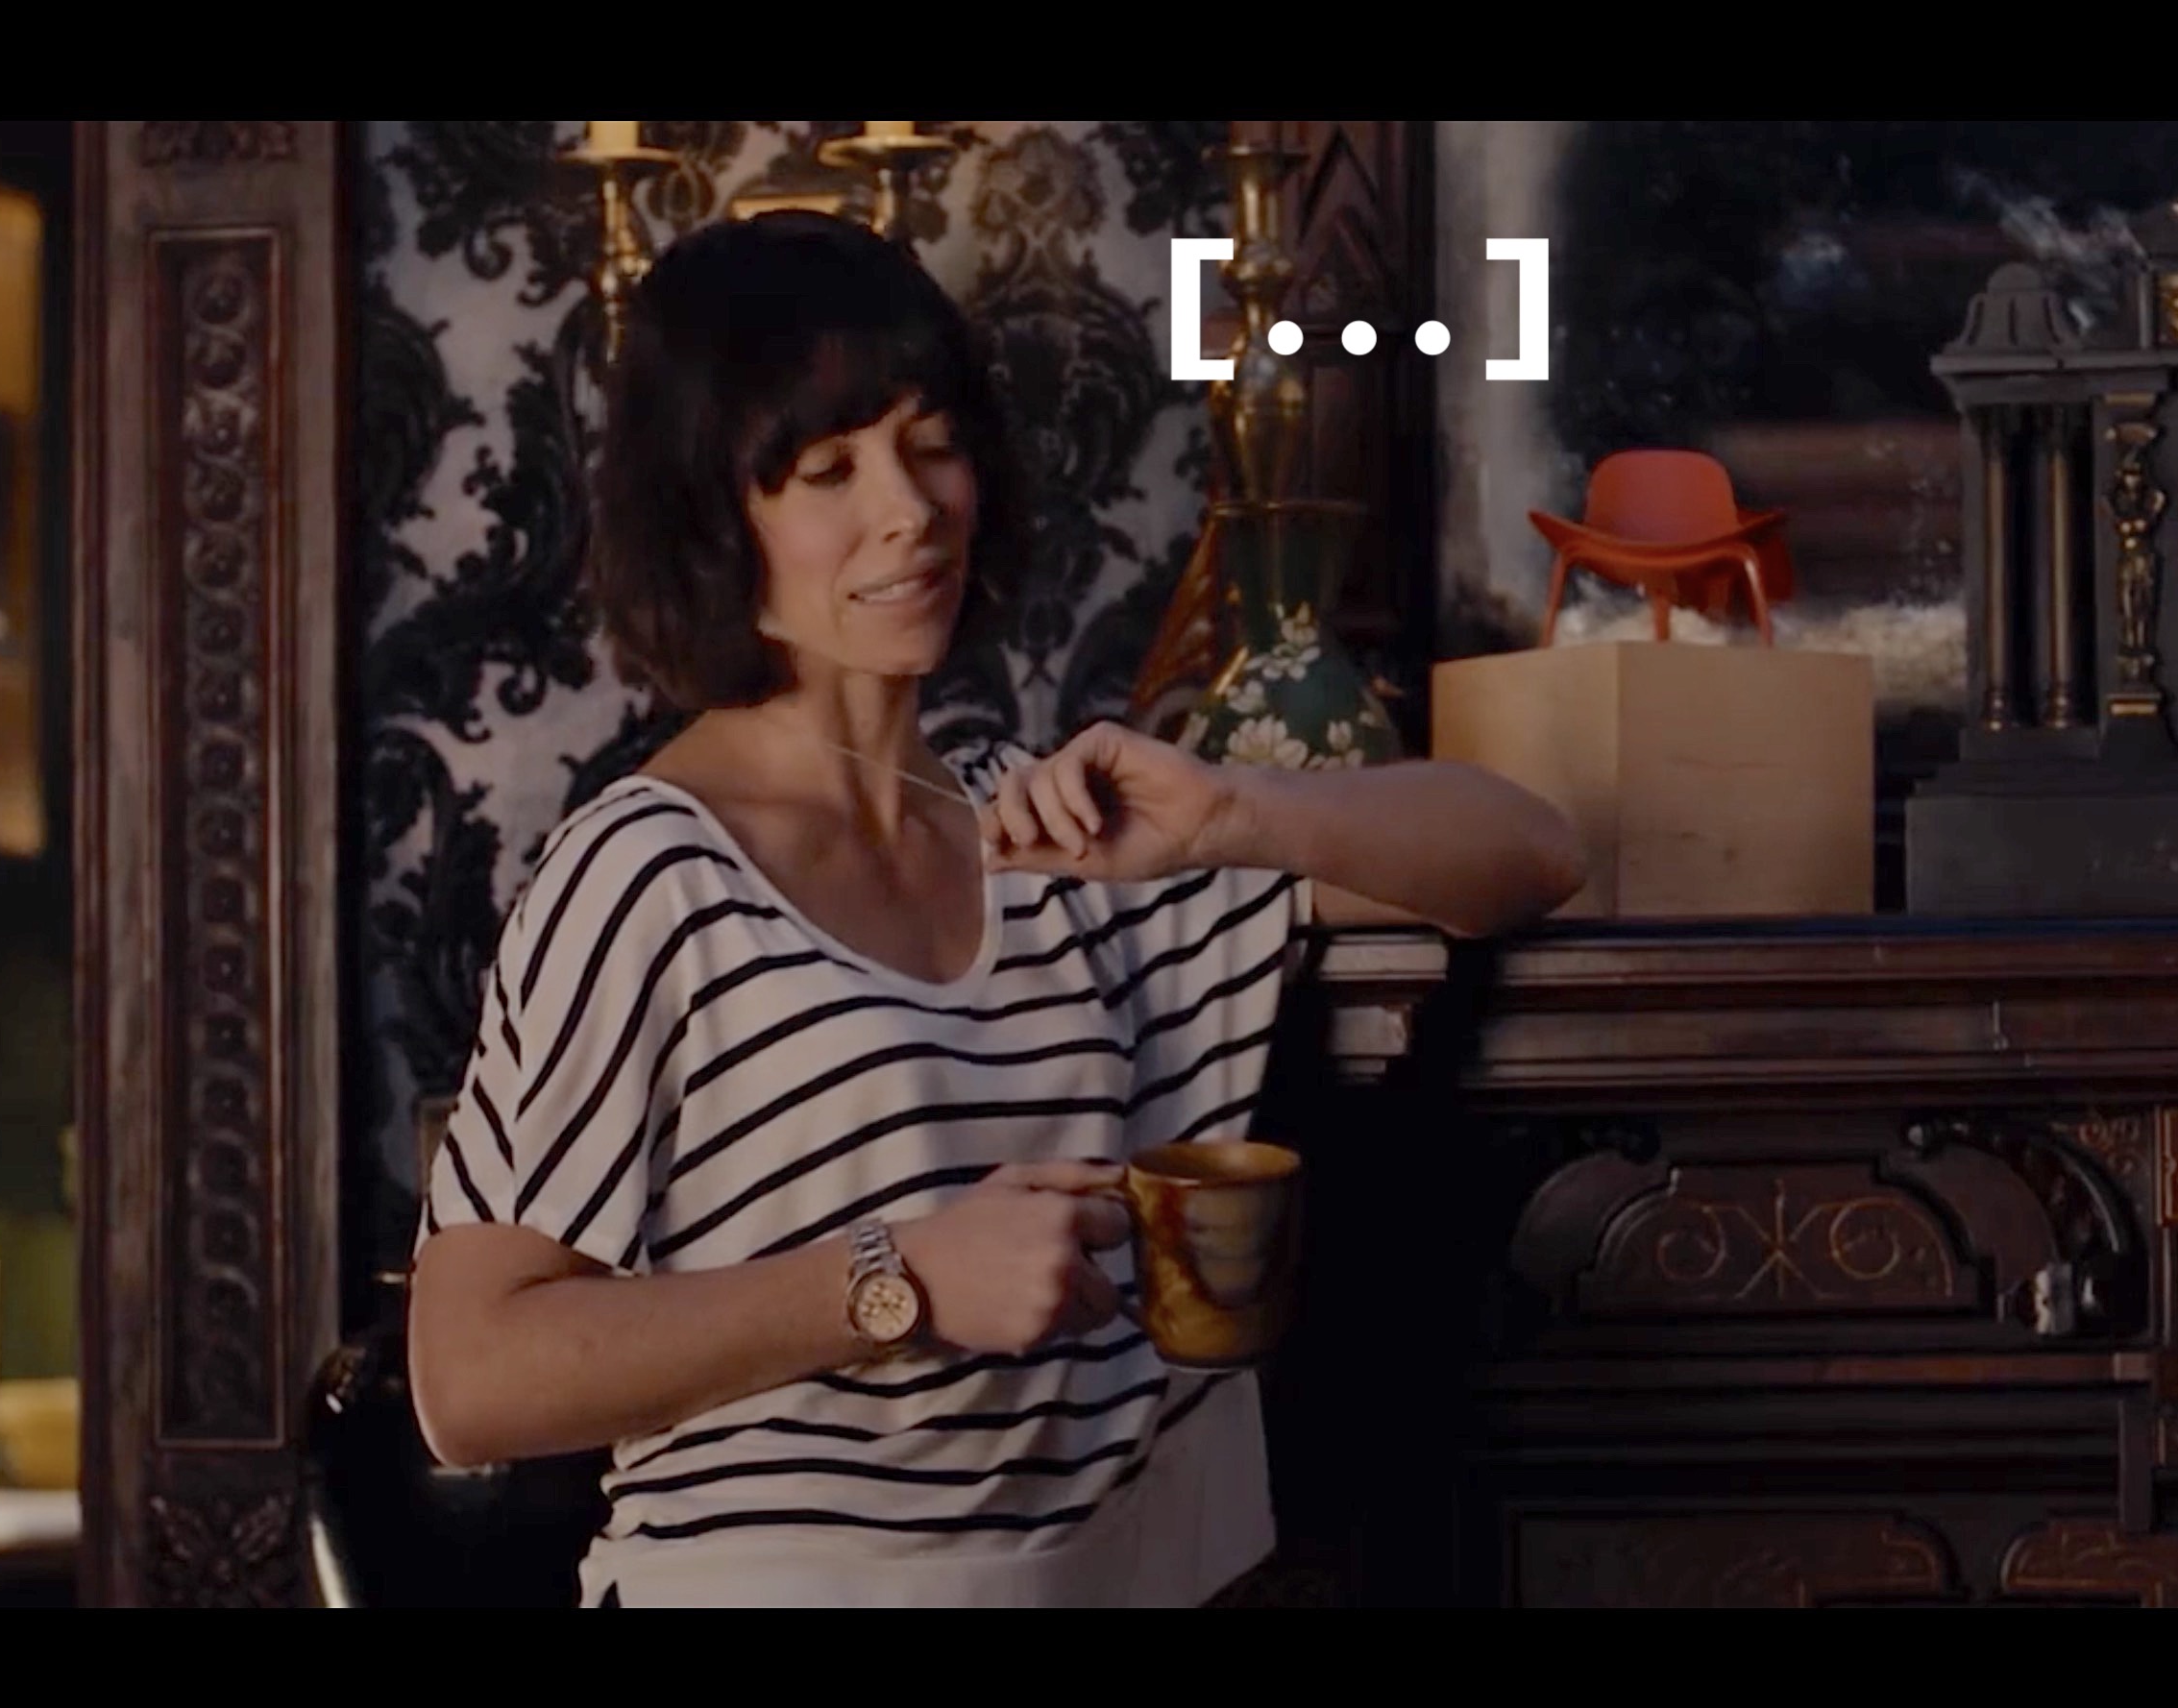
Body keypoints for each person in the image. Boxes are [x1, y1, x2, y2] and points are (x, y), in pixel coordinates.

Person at [406, 210, 1586, 1608]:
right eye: (829, 470)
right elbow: (466, 1380)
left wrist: (1233, 812)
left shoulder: (1054, 834)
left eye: (932, 442)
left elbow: (1530, 851)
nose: (911, 508)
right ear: (712, 520)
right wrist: (892, 1278)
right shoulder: (647, 874)